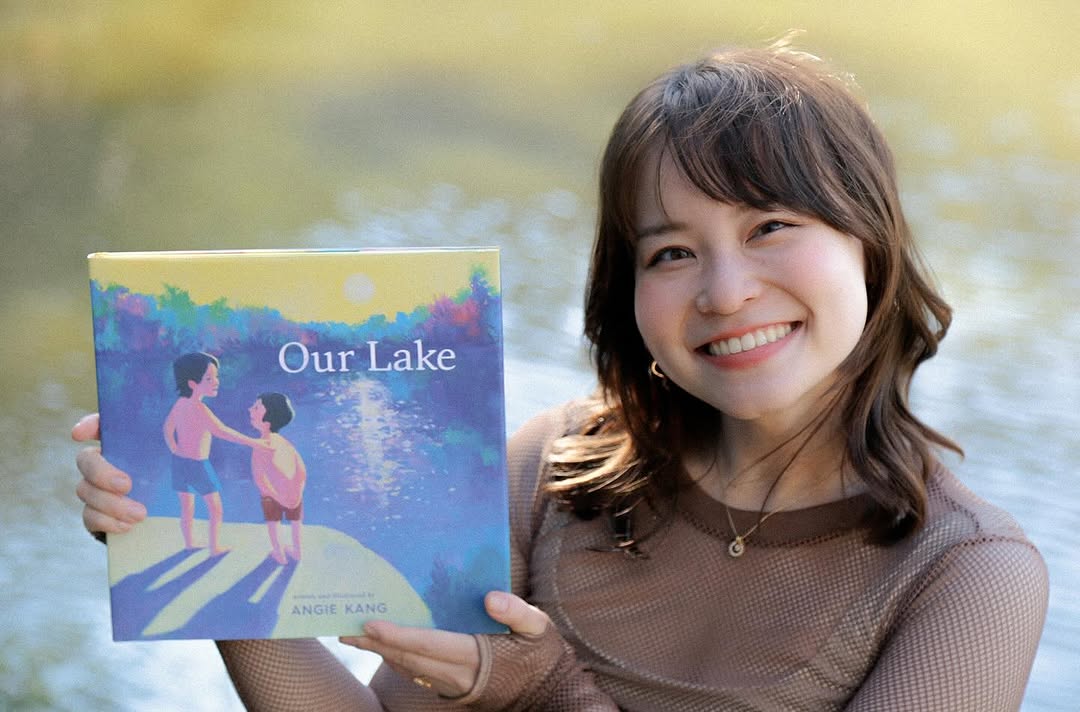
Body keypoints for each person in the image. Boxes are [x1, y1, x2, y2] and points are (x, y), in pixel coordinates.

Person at [73, 42, 1048, 711]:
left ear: (870, 244)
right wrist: (208, 582)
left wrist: (544, 690)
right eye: (670, 251)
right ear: (626, 288)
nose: (725, 289)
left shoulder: (968, 576)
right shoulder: (550, 469)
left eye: (770, 228)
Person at [163, 351, 267, 556]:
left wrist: (175, 450)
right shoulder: (200, 408)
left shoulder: (180, 403)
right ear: (193, 383)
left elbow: (167, 429)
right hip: (198, 465)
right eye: (209, 378)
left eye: (216, 377)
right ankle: (214, 548)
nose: (216, 382)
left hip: (179, 463)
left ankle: (190, 543)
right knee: (215, 508)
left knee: (187, 508)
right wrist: (254, 442)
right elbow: (222, 431)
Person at [248, 392, 307, 565]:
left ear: (268, 417)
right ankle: (297, 551)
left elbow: (259, 477)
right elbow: (301, 469)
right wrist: (297, 492)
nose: (250, 409)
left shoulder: (262, 444)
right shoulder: (285, 442)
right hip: (294, 494)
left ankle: (279, 554)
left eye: (256, 407)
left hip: (273, 495)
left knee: (274, 523)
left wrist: (274, 495)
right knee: (296, 522)